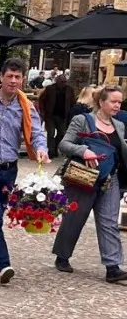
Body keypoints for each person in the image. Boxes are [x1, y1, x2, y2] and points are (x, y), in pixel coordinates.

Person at [0, 58, 48, 284]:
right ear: (1, 77)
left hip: (8, 171)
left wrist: (41, 149)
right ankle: (3, 264)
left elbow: (36, 133)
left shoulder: (25, 106)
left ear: (23, 79)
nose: (13, 81)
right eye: (9, 76)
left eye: (18, 77)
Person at [52, 85, 127, 282]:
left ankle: (113, 267)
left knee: (109, 222)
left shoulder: (119, 125)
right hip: (82, 177)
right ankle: (63, 256)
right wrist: (83, 150)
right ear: (101, 102)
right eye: (113, 101)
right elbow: (64, 144)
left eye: (120, 102)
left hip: (110, 179)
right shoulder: (83, 120)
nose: (117, 105)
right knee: (75, 218)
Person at [39, 75, 75, 157]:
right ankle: (50, 151)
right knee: (50, 133)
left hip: (63, 116)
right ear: (57, 81)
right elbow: (41, 99)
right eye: (61, 82)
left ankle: (55, 147)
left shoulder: (69, 89)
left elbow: (72, 101)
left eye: (64, 82)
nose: (63, 84)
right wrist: (43, 112)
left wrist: (70, 113)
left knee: (62, 133)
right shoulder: (50, 89)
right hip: (50, 115)